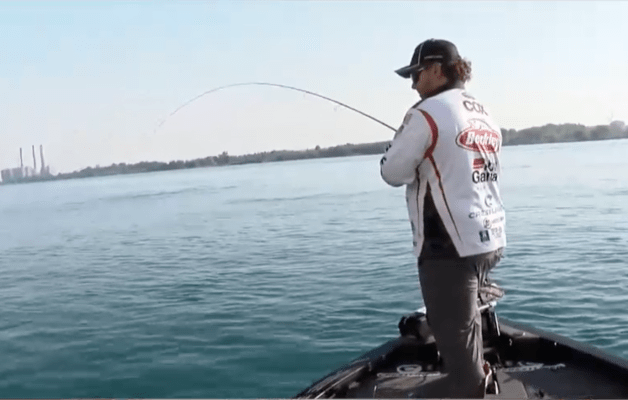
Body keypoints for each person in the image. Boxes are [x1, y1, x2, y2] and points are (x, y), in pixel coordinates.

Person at [380, 39, 507, 398]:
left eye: (416, 74)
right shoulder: (483, 112)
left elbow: (392, 172)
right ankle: (478, 370)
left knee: (463, 376)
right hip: (490, 238)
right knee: (461, 324)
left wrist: (393, 148)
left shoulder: (426, 113)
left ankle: (475, 384)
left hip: (448, 248)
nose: (413, 84)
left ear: (436, 70)